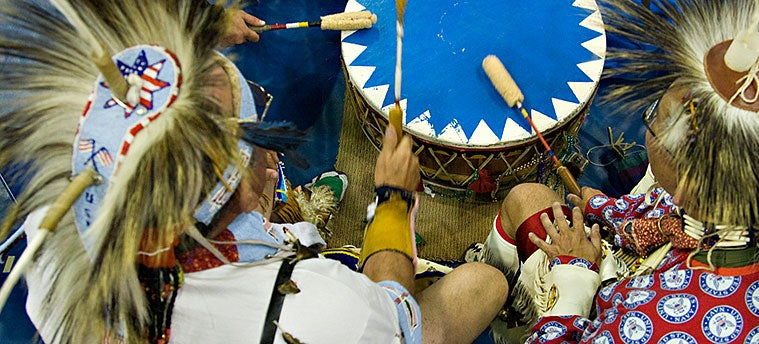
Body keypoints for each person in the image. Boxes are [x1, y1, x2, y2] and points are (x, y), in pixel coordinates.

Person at [0, 0, 507, 342]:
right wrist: (394, 203)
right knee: (482, 284)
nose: (271, 154)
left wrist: (196, 29)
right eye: (260, 133)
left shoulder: (56, 233)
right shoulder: (321, 311)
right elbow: (402, 324)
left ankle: (292, 217)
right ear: (246, 188)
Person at [479, 0, 759, 343]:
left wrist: (573, 276)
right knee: (529, 198)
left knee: (520, 210)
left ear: (692, 182)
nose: (649, 125)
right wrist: (605, 207)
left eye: (653, 119)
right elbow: (670, 214)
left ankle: (506, 316)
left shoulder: (657, 326)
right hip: (657, 272)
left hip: (627, 305)